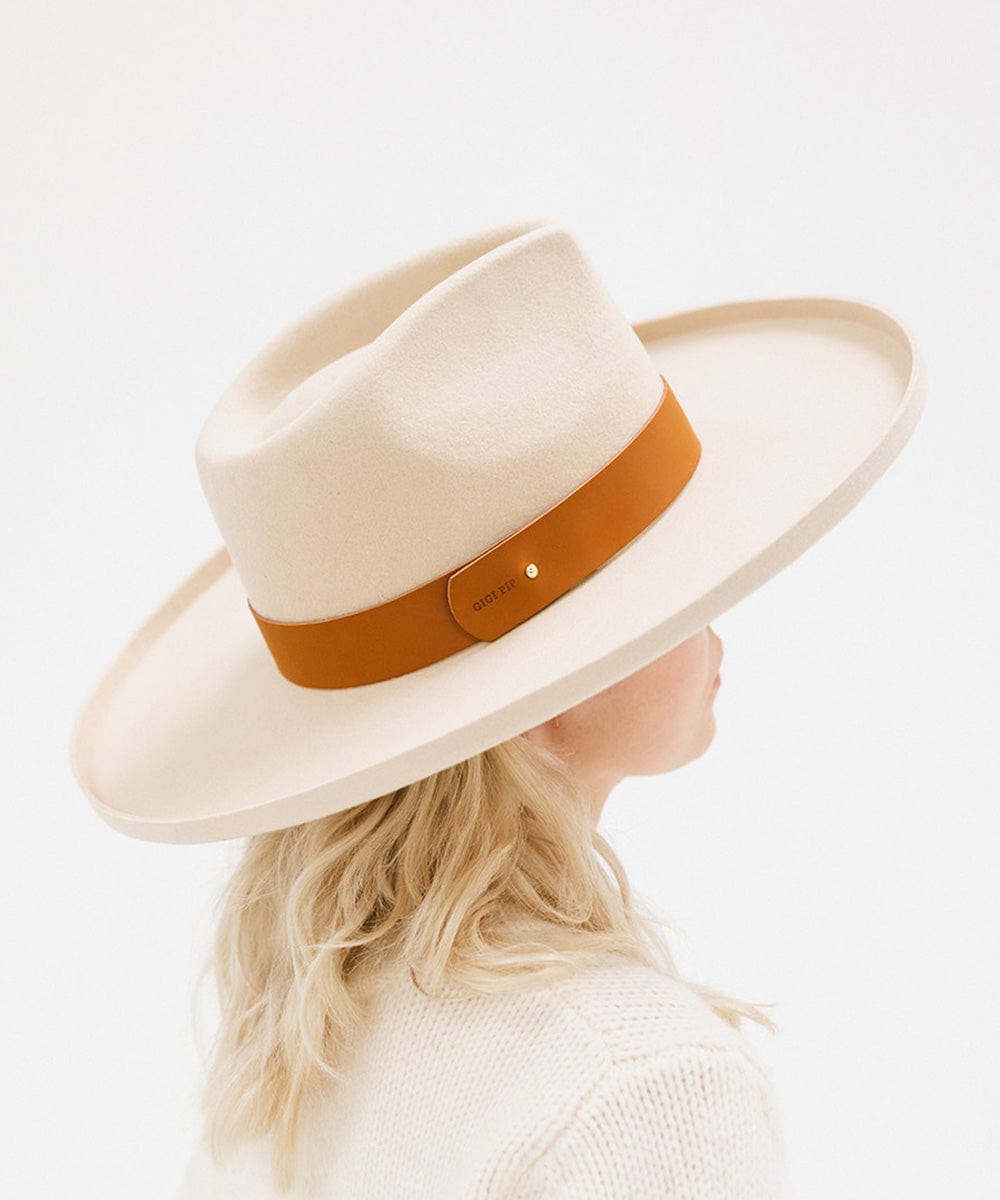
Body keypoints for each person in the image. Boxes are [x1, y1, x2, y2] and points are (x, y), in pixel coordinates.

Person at [68, 218, 925, 1197]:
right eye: (665, 587)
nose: (718, 612)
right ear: (544, 685)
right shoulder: (638, 1087)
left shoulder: (295, 1057)